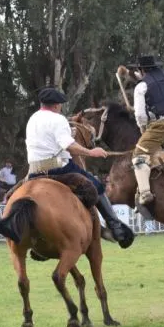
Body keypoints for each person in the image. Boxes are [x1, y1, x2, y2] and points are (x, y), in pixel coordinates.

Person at [26, 87, 134, 248]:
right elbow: (69, 146)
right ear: (56, 105)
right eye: (60, 104)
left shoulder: (33, 119)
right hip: (57, 167)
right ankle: (116, 227)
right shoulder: (58, 119)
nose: (60, 107)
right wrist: (91, 152)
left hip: (34, 170)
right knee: (96, 185)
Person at [126, 55, 164, 206]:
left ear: (142, 69)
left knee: (139, 154)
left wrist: (143, 128)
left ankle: (145, 194)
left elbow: (140, 114)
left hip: (160, 126)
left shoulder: (141, 87)